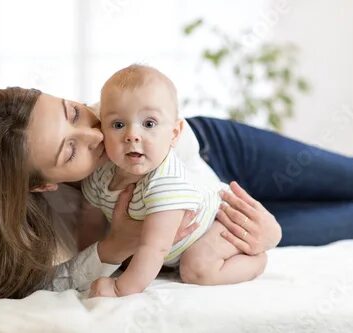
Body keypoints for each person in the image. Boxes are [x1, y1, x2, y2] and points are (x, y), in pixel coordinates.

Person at [0, 83, 353, 299]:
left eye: (75, 112)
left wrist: (269, 230)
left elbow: (169, 129)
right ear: (44, 184)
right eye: (71, 150)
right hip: (215, 229)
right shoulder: (49, 217)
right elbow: (32, 285)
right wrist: (112, 248)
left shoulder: (109, 104)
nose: (99, 134)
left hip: (217, 152)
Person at [82, 65, 267, 297]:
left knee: (196, 268)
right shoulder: (101, 175)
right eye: (118, 125)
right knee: (130, 259)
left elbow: (155, 247)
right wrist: (91, 265)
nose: (132, 135)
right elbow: (89, 223)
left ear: (175, 133)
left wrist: (121, 288)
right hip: (177, 244)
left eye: (149, 124)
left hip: (218, 225)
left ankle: (256, 261)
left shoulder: (165, 181)